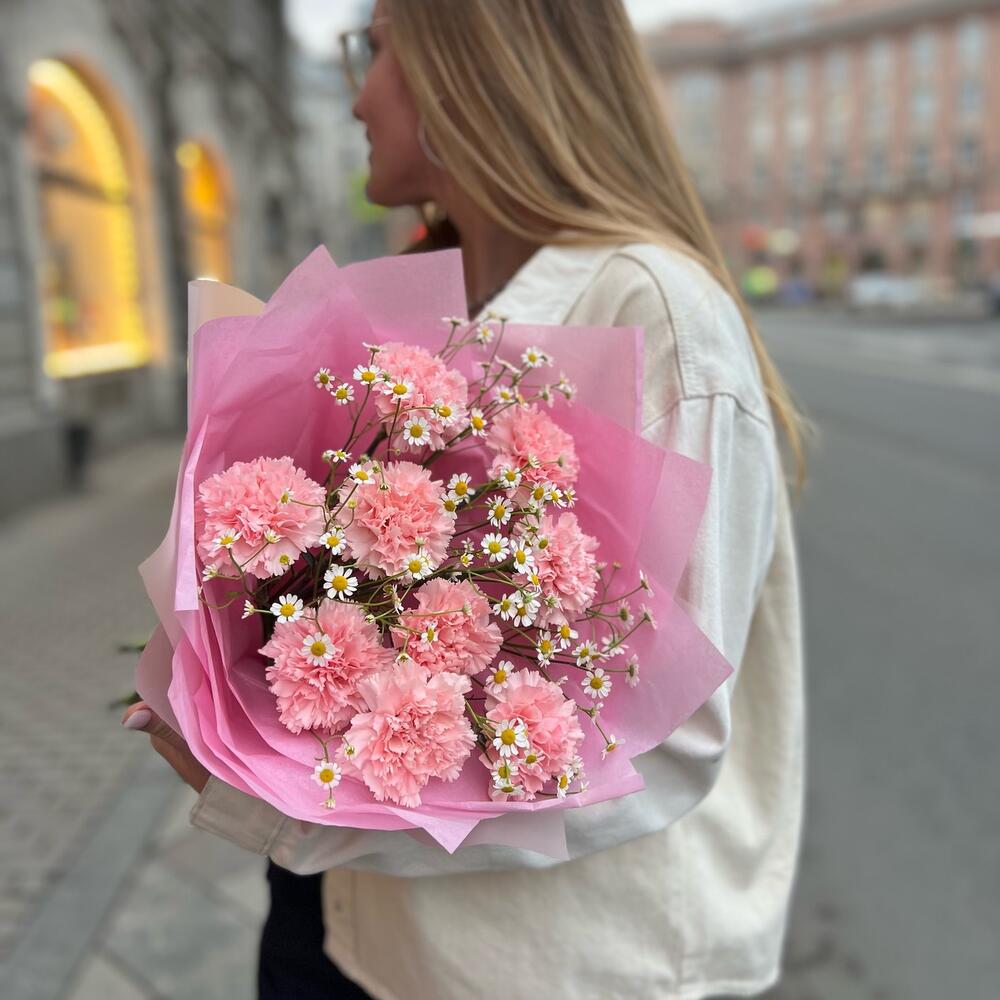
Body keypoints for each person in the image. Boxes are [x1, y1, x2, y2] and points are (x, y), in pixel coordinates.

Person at [122, 2, 807, 997]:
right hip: (357, 925)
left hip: (552, 965)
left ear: (468, 63)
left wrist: (286, 812)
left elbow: (670, 737)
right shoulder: (420, 307)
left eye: (376, 51)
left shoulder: (650, 306)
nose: (357, 97)